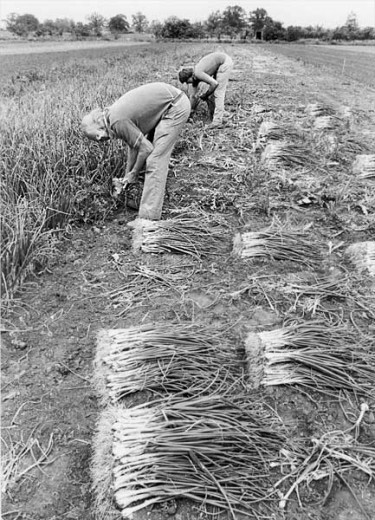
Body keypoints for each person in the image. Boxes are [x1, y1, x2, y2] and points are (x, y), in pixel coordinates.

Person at [81, 82, 191, 220]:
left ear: (98, 125)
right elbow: (134, 146)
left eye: (97, 135)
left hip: (175, 106)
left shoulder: (117, 122)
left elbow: (146, 148)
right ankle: (147, 198)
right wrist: (127, 176)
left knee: (155, 160)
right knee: (147, 158)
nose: (100, 139)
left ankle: (149, 218)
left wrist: (134, 173)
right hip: (170, 102)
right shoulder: (111, 116)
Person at [178, 51, 233, 128]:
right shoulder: (195, 79)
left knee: (218, 92)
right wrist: (189, 113)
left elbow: (214, 84)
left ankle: (217, 121)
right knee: (211, 94)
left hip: (224, 63)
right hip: (218, 64)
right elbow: (193, 97)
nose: (188, 84)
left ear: (190, 77)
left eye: (187, 81)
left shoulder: (197, 73)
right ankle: (221, 114)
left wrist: (206, 94)